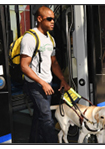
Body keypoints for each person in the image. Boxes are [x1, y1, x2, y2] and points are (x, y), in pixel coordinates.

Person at [20, 6, 70, 143]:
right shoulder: (30, 38)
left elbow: (54, 63)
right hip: (35, 85)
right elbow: (24, 66)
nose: (53, 21)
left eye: (53, 19)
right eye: (49, 19)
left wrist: (62, 80)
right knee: (47, 119)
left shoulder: (50, 39)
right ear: (39, 19)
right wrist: (42, 83)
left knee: (39, 116)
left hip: (47, 84)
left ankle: (33, 142)